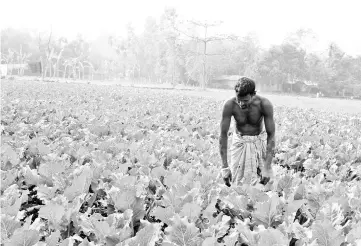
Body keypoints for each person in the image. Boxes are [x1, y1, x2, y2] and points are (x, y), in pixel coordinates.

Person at [219, 77, 276, 187]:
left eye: (245, 100)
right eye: (238, 99)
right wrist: (224, 166)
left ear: (253, 94)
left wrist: (267, 167)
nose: (241, 104)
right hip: (239, 144)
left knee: (263, 182)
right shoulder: (229, 105)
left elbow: (271, 135)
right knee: (236, 182)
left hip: (258, 143)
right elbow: (223, 135)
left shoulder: (264, 104)